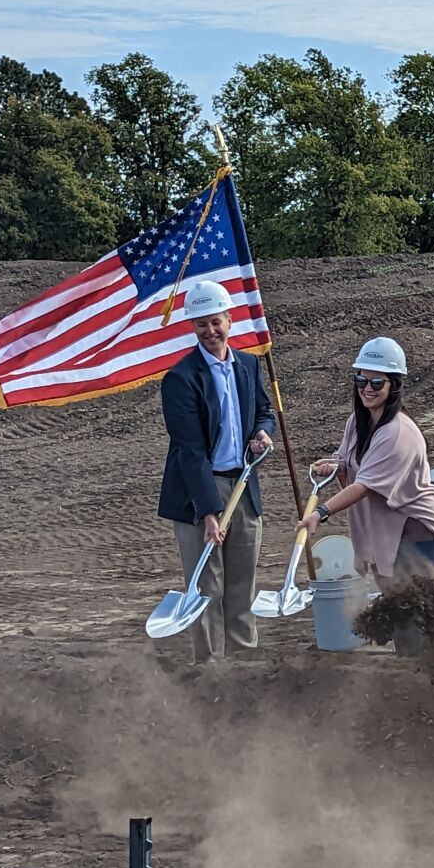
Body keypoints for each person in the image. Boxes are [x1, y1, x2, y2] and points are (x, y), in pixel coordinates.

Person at [301, 337, 434, 650]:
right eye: (361, 380)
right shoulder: (358, 423)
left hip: (415, 532)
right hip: (387, 532)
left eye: (376, 382)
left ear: (394, 385)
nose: (367, 388)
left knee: (410, 611)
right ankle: (414, 671)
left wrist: (320, 513)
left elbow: (362, 486)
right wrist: (333, 464)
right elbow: (348, 459)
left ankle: (426, 674)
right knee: (397, 605)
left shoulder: (398, 432)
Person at [158, 279, 275, 664]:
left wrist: (262, 433)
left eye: (215, 322)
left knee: (242, 584)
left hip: (243, 485)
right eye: (200, 324)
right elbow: (190, 451)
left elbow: (263, 412)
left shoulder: (248, 364)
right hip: (199, 493)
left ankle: (243, 666)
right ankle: (208, 669)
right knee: (207, 586)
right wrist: (208, 514)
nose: (209, 331)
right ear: (192, 327)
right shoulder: (181, 378)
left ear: (230, 319)